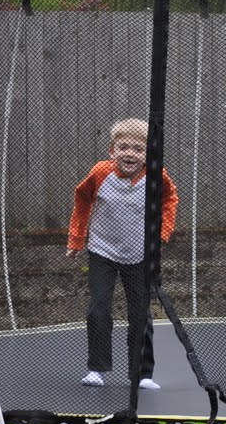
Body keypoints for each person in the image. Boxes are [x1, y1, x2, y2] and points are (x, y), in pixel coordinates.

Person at [68, 118, 178, 390]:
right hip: (102, 251)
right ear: (112, 151)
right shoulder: (100, 173)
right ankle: (97, 369)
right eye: (123, 147)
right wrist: (76, 239)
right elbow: (81, 199)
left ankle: (142, 374)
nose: (130, 153)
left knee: (141, 314)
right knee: (98, 309)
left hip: (139, 255)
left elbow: (170, 199)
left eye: (138, 149)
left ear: (148, 154)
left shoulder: (157, 175)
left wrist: (161, 235)